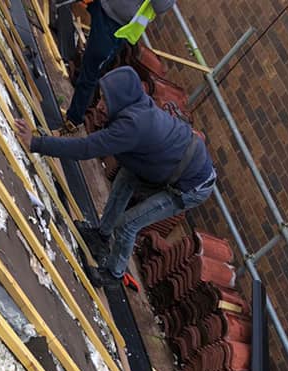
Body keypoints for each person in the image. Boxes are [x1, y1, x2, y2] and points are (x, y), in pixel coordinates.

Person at [15, 66, 216, 287]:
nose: (100, 106)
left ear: (121, 99)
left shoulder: (132, 127)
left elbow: (85, 148)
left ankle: (114, 274)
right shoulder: (135, 107)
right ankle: (101, 235)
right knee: (125, 178)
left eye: (106, 102)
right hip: (174, 162)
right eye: (101, 98)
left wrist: (35, 143)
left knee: (128, 225)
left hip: (192, 185)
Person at [63, 0, 175, 132]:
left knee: (92, 71)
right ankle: (75, 109)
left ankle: (73, 119)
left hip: (117, 26)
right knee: (91, 68)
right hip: (104, 8)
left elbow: (161, 6)